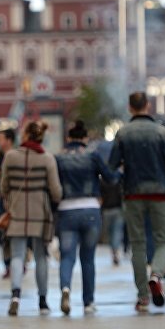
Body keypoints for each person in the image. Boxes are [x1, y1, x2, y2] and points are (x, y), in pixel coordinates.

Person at [108, 92, 165, 312]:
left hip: (133, 194)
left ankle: (142, 297)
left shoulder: (122, 133)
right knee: (163, 240)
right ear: (148, 106)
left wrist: (123, 175)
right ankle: (157, 274)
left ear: (130, 107)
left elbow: (112, 167)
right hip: (160, 193)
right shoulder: (163, 133)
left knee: (137, 245)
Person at [0, 121, 63, 316]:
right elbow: (56, 192)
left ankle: (16, 295)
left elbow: (3, 187)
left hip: (17, 213)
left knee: (17, 256)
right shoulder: (48, 159)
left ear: (26, 135)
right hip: (40, 214)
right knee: (41, 256)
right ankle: (43, 301)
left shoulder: (10, 157)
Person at [55, 120, 115, 315]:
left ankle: (65, 288)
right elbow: (110, 178)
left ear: (69, 138)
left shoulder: (59, 158)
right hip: (90, 210)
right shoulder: (93, 156)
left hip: (67, 211)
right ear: (85, 139)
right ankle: (88, 302)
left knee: (67, 256)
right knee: (88, 259)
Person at [0, 128, 15, 278]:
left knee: (15, 232)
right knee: (3, 232)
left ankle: (18, 262)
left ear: (9, 140)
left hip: (14, 198)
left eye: (1, 139)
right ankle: (8, 264)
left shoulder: (16, 156)